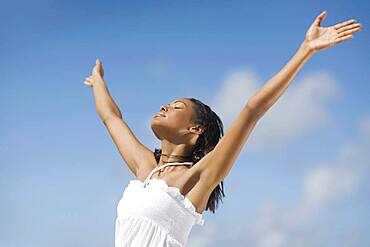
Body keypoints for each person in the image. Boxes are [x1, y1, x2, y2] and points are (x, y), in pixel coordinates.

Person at [83, 11, 362, 247]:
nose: (164, 107)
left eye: (177, 107)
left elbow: (253, 110)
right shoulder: (146, 169)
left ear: (195, 129)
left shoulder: (197, 179)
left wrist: (305, 50)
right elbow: (111, 118)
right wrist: (98, 82)